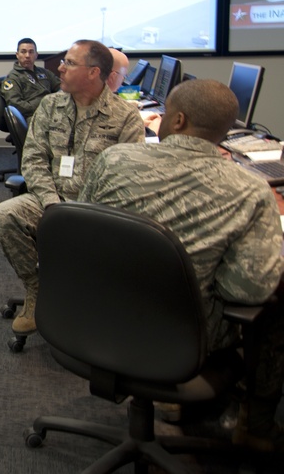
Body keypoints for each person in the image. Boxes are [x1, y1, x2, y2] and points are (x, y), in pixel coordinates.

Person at [79, 79, 284, 452]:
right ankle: (256, 426)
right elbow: (247, 291)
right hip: (186, 339)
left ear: (176, 121)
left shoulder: (114, 160)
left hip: (90, 321)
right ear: (226, 132)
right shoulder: (250, 190)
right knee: (272, 307)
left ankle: (172, 399)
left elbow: (83, 231)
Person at [0, 40, 145, 335]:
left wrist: (82, 209)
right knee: (4, 215)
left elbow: (128, 176)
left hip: (99, 209)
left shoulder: (125, 116)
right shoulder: (50, 105)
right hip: (51, 202)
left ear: (93, 72)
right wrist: (51, 202)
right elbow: (32, 159)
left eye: (70, 63)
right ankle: (37, 289)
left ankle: (91, 296)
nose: (60, 67)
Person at [0, 38, 60, 121]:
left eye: (31, 52)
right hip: (32, 117)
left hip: (51, 112)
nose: (27, 55)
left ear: (36, 55)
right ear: (17, 54)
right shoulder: (12, 78)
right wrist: (43, 105)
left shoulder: (45, 73)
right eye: (23, 52)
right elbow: (15, 105)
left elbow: (61, 88)